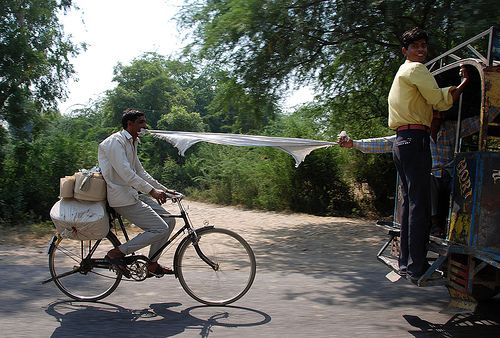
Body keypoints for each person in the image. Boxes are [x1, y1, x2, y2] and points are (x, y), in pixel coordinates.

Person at [385, 27, 469, 281]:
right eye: (415, 46)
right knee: (420, 207)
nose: (421, 50)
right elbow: (440, 102)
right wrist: (464, 83)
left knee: (411, 205)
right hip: (415, 140)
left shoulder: (402, 72)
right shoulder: (416, 70)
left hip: (402, 141)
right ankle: (416, 267)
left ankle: (406, 263)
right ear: (405, 51)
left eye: (423, 45)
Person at [337, 107, 499, 237]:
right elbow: (386, 143)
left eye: (438, 113)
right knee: (427, 180)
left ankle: (466, 228)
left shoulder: (451, 129)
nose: (436, 117)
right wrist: (354, 144)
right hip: (430, 177)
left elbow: (476, 123)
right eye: (432, 113)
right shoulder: (417, 134)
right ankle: (434, 224)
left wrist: (495, 109)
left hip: (450, 176)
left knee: (467, 187)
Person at [98, 109, 178, 277]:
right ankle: (117, 252)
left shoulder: (132, 142)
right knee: (159, 228)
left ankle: (152, 263)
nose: (145, 125)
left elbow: (140, 172)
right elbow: (126, 173)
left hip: (133, 194)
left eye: (144, 122)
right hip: (122, 198)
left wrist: (162, 189)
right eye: (141, 122)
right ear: (130, 124)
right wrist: (152, 191)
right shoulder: (115, 142)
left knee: (169, 222)